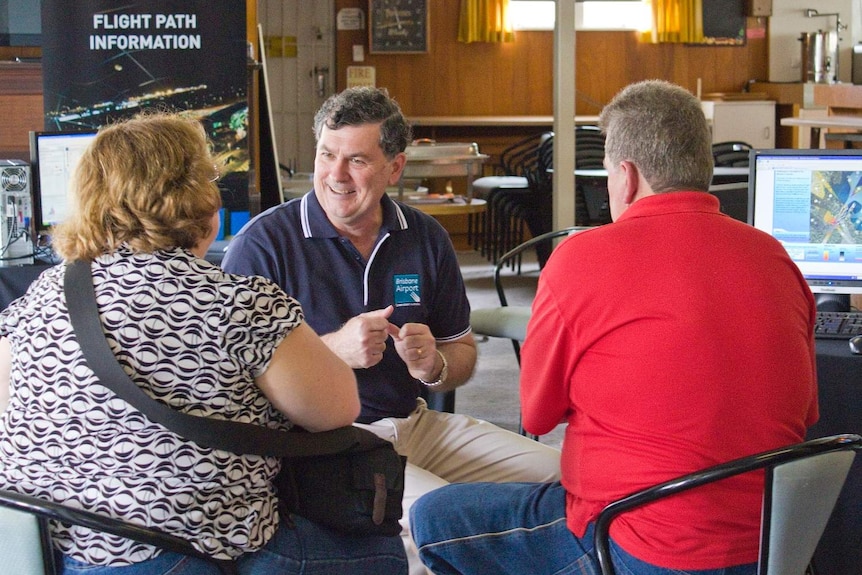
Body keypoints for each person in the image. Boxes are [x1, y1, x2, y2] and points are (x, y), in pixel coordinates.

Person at [409, 79, 819, 575]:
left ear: (625, 176)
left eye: (605, 171)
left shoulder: (583, 258)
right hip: (771, 547)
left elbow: (538, 416)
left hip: (632, 543)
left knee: (431, 516)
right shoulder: (776, 259)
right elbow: (805, 413)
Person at [0, 112, 407, 574]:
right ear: (202, 200)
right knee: (383, 556)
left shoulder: (45, 292)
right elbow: (338, 411)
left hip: (53, 552)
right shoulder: (240, 302)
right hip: (189, 556)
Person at [221, 86, 561, 573]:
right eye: (326, 155)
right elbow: (229, 377)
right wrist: (332, 349)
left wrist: (435, 365)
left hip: (416, 423)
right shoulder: (265, 243)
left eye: (356, 160)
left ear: (394, 168)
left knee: (563, 476)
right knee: (445, 519)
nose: (335, 175)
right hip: (329, 444)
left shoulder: (424, 236)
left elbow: (459, 351)